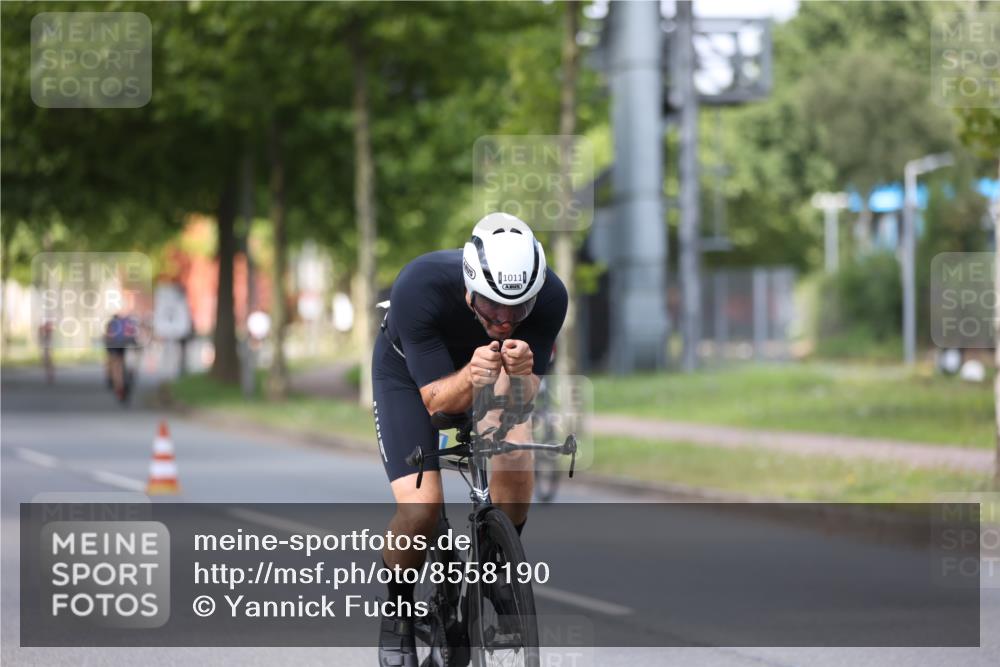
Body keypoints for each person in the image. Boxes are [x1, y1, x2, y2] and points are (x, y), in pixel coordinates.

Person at [372, 212, 567, 666]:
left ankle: (498, 568)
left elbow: (524, 397)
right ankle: (398, 611)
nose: (505, 320)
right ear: (469, 288)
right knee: (420, 508)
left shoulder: (551, 296)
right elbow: (438, 404)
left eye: (518, 309)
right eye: (493, 306)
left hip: (492, 370)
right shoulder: (419, 285)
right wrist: (471, 375)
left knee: (515, 454)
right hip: (410, 377)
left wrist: (523, 373)